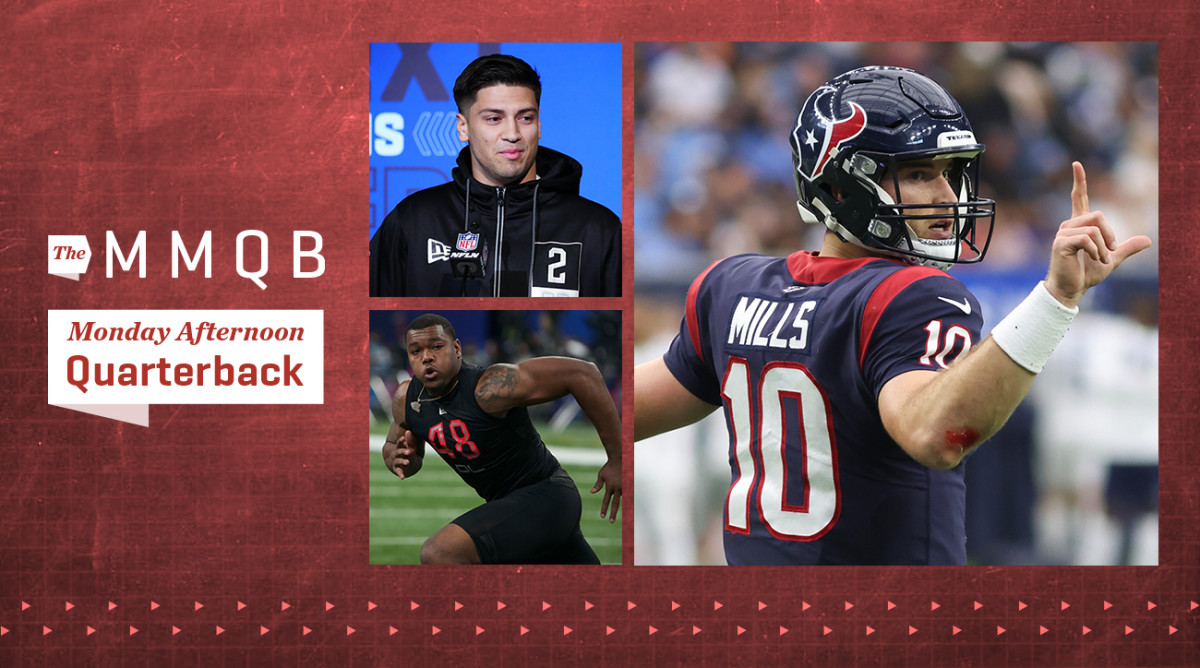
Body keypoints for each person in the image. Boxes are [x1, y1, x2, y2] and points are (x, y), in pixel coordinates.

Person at [633, 65, 1152, 565]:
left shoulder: (732, 285)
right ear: (840, 186)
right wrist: (1055, 300)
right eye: (920, 174)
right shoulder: (911, 294)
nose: (948, 198)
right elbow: (936, 435)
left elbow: (620, 409)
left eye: (950, 173)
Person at [369, 54, 622, 297]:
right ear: (463, 127)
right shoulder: (413, 220)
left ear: (539, 125)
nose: (512, 133)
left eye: (525, 118)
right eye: (494, 118)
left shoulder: (597, 228)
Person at [382, 313, 622, 564]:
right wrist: (399, 460)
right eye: (415, 351)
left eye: (437, 346)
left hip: (547, 497)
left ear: (456, 348)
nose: (427, 357)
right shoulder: (406, 398)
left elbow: (583, 373)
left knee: (441, 552)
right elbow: (395, 448)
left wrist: (618, 458)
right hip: (510, 508)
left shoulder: (489, 388)